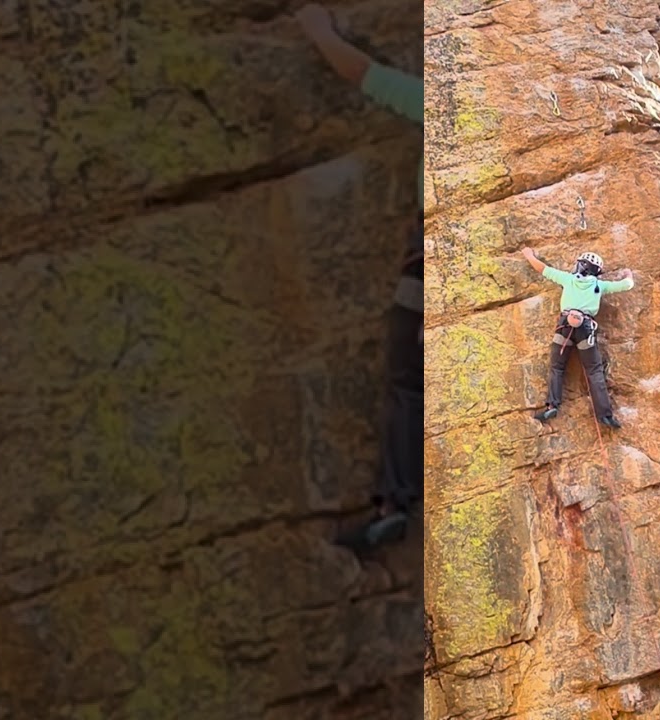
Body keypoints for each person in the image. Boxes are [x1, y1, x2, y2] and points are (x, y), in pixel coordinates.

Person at [295, 3, 423, 552]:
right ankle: (401, 502)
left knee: (408, 383)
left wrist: (316, 29)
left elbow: (362, 74)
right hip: (469, 261)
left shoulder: (438, 104)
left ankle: (396, 502)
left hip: (432, 264)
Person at [521, 248, 635, 429]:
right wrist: (628, 273)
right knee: (594, 371)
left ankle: (552, 405)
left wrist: (529, 255)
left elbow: (543, 269)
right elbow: (627, 284)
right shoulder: (600, 285)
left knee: (557, 366)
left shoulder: (568, 279)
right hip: (586, 329)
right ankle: (605, 416)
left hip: (565, 326)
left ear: (582, 266)